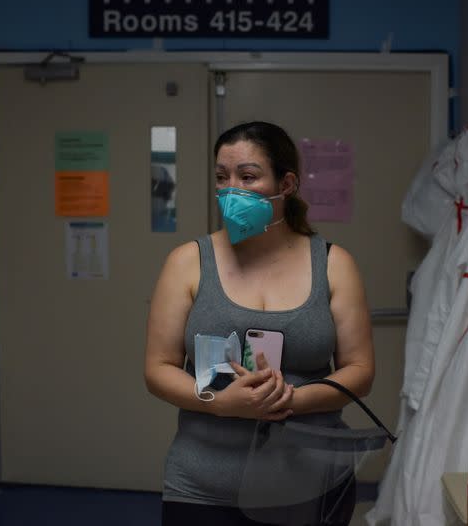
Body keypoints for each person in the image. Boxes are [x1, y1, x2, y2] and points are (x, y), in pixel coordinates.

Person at [144, 121, 375, 525]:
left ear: (286, 184)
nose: (231, 188)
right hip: (202, 488)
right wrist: (221, 402)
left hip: (311, 484)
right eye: (222, 177)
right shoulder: (187, 262)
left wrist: (290, 400)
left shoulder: (335, 265)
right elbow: (158, 369)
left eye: (247, 176)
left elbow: (360, 372)